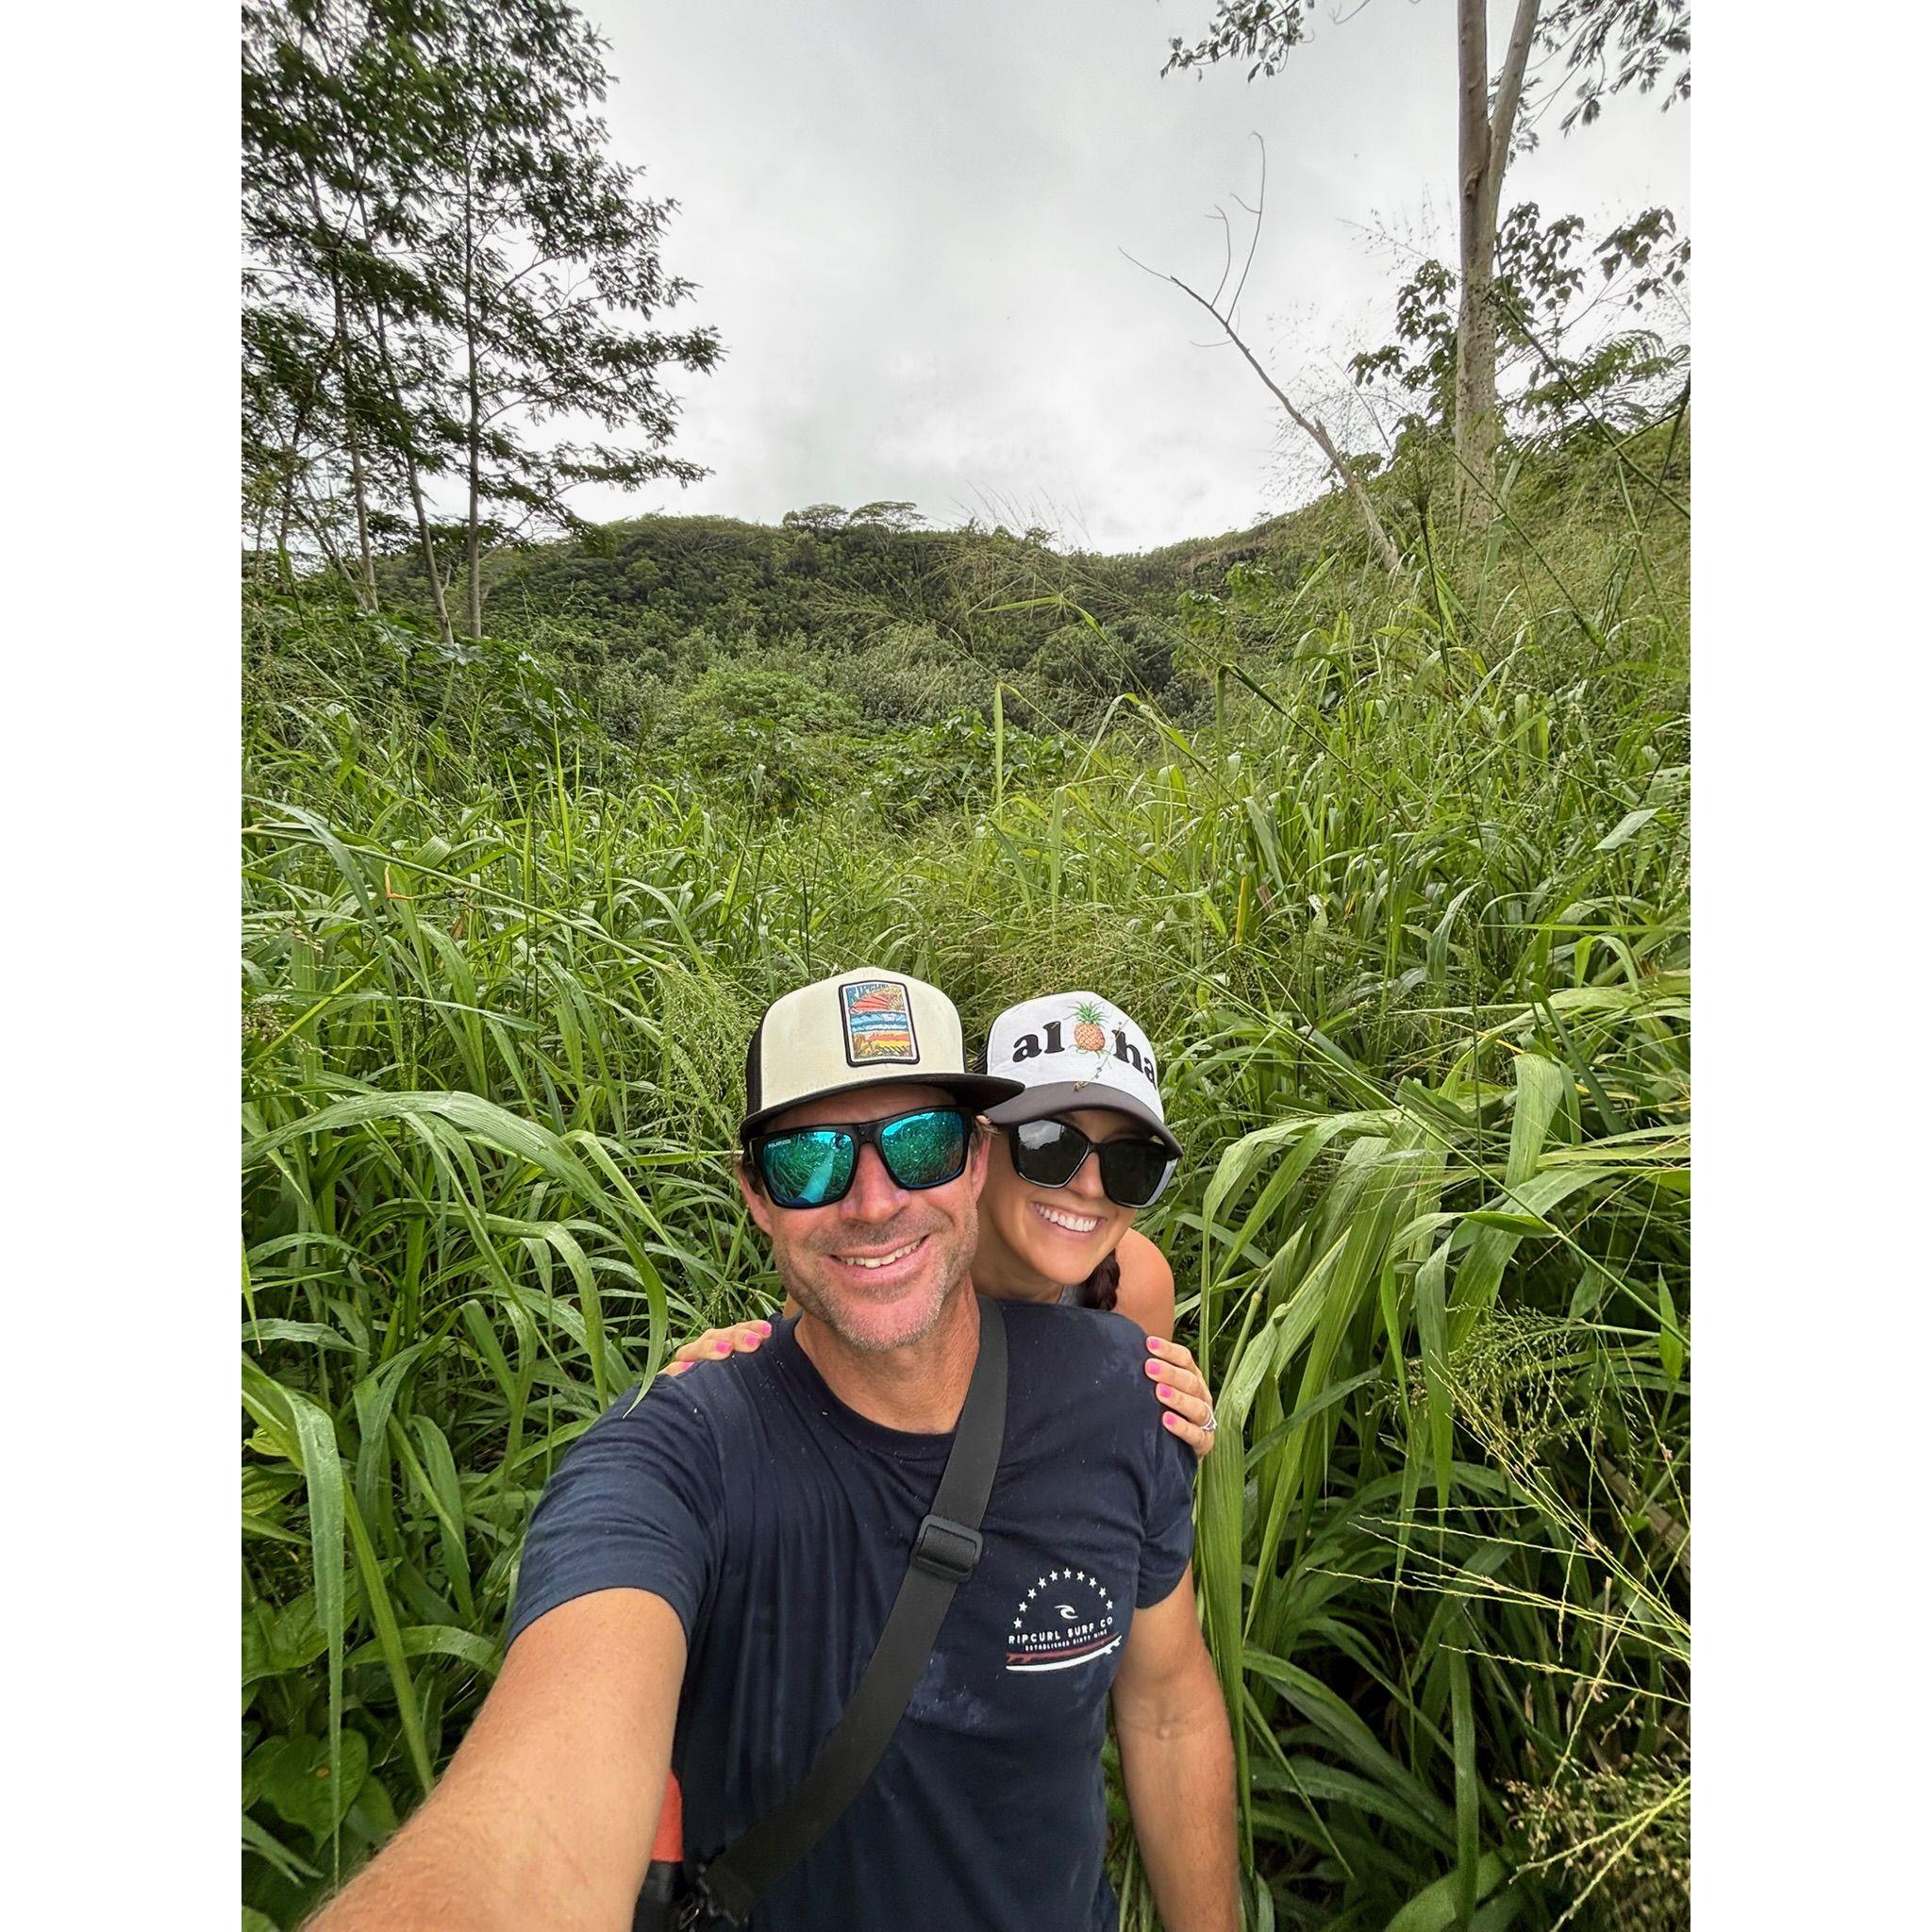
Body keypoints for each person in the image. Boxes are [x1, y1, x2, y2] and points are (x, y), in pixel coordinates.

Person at [309, 967, 1239, 1932]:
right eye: (808, 1162)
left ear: (965, 1159)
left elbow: (1167, 1702)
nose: (873, 1201)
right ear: (755, 1193)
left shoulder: (1121, 1345)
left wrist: (1149, 1408)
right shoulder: (684, 1456)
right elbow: (535, 1837)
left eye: (918, 1143)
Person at [672, 989, 1221, 1458]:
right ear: (978, 1149)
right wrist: (738, 1388)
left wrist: (1179, 1434)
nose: (1091, 1187)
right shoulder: (892, 1267)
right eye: (1049, 1144)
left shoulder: (1138, 1282)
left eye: (1131, 1163)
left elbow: (1111, 1457)